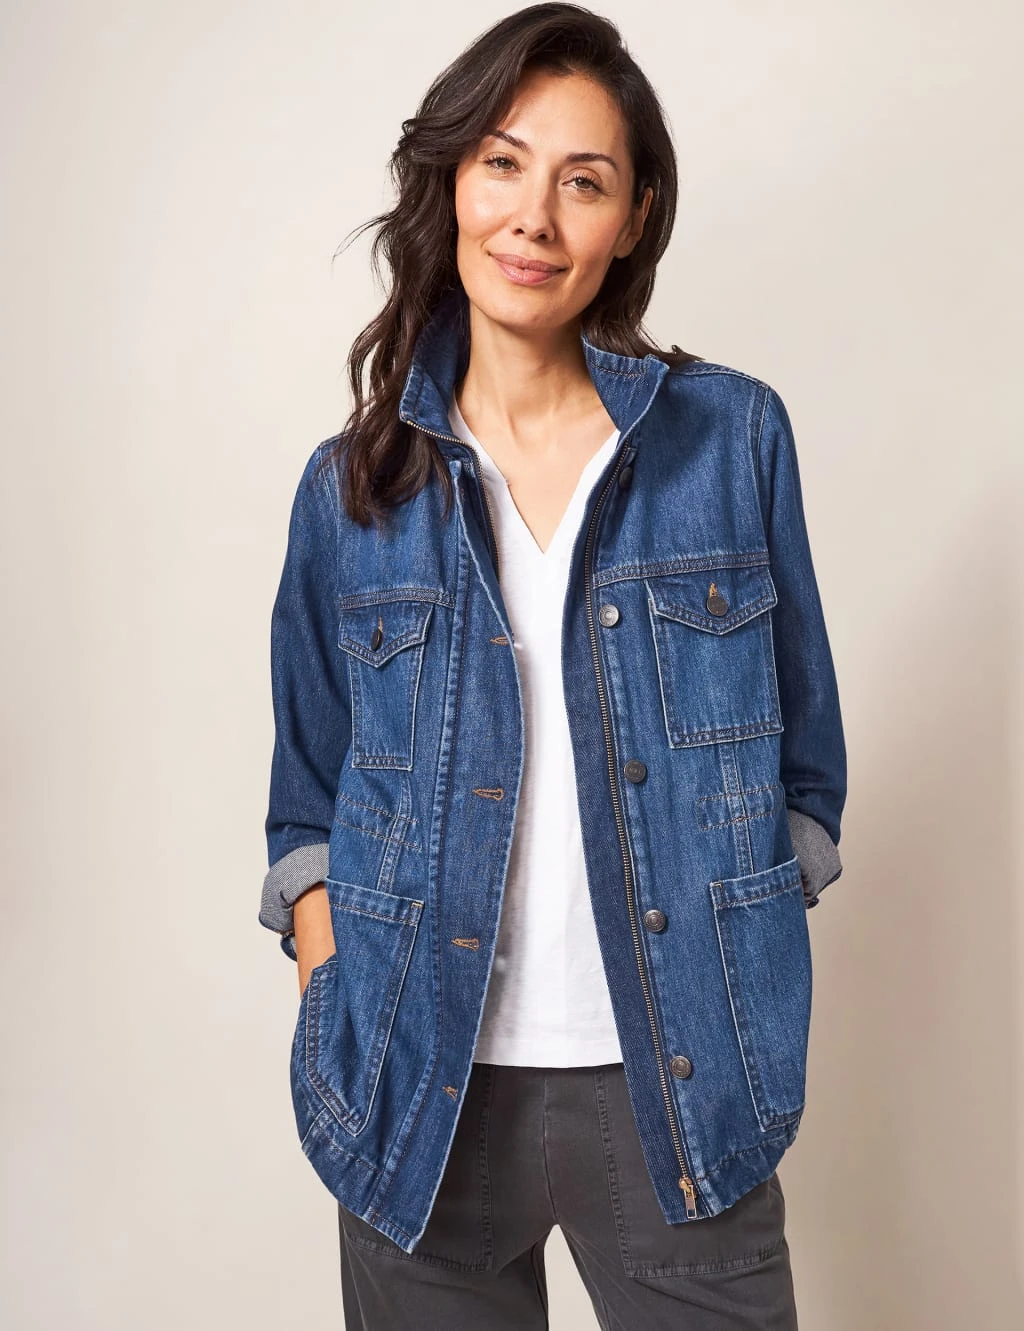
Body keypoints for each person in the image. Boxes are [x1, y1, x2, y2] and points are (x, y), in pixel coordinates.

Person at [258, 4, 846, 1327]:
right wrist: (334, 978)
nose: (534, 217)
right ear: (453, 182)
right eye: (503, 164)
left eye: (584, 181)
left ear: (634, 218)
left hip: (678, 1093)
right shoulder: (350, 492)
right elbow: (308, 798)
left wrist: (736, 964)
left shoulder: (731, 440)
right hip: (417, 1095)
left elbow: (807, 769)